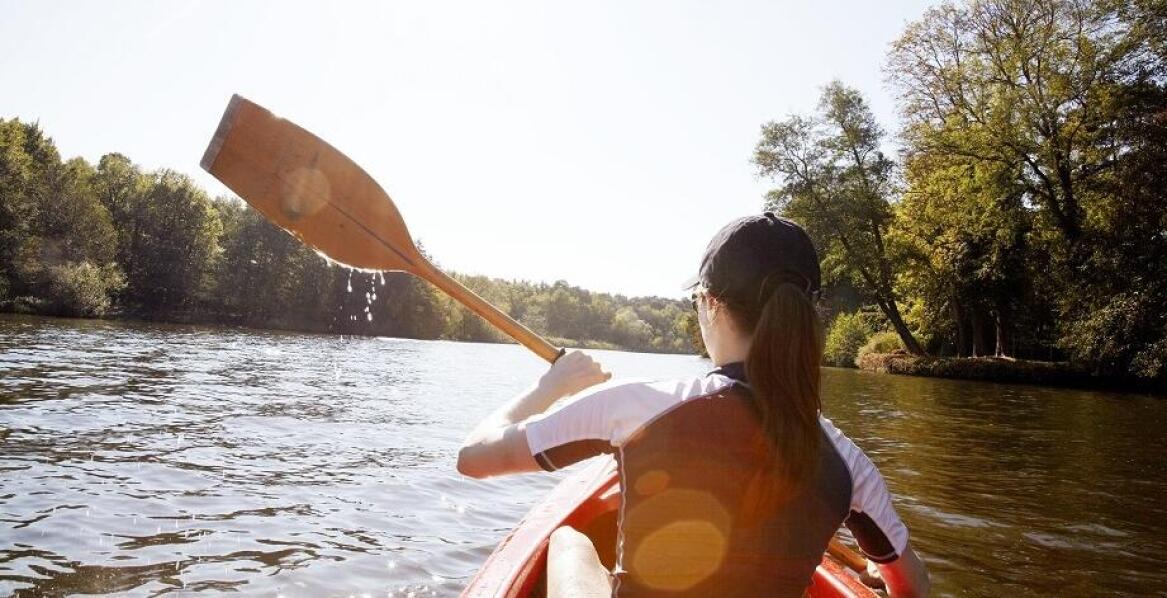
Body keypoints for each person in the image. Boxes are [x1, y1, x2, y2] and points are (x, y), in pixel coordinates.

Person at [457, 214, 931, 597]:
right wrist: (878, 567)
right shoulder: (849, 462)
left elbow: (474, 458)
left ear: (709, 303)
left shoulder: (635, 406)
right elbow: (912, 589)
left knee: (568, 541)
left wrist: (551, 386)